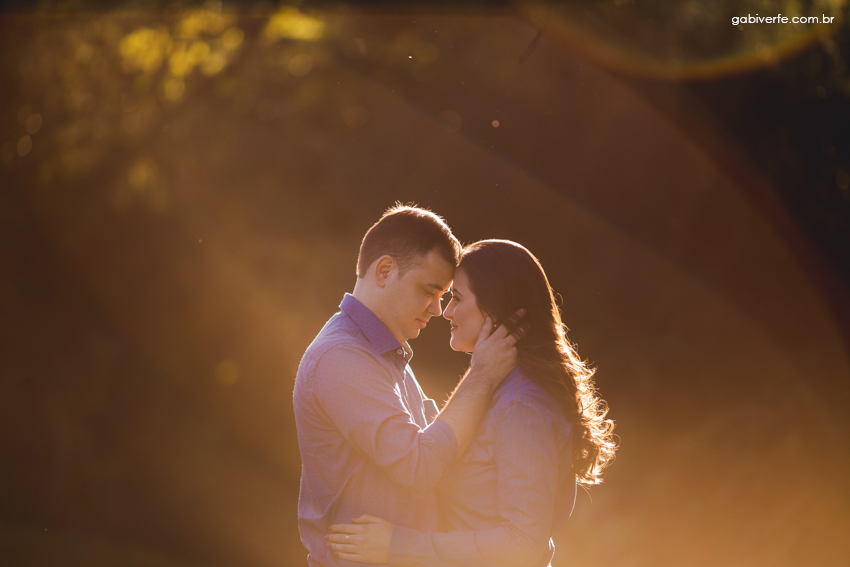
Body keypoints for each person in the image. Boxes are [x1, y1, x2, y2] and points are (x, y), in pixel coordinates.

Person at [325, 239, 617, 567]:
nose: (445, 311)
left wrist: (398, 545)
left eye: (457, 298)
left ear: (493, 306)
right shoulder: (496, 390)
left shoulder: (522, 408)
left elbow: (523, 544)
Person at [293, 207, 524, 567]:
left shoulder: (385, 354)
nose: (437, 308)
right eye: (429, 291)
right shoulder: (340, 358)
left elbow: (447, 448)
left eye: (444, 295)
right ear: (384, 271)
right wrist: (482, 375)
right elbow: (421, 466)